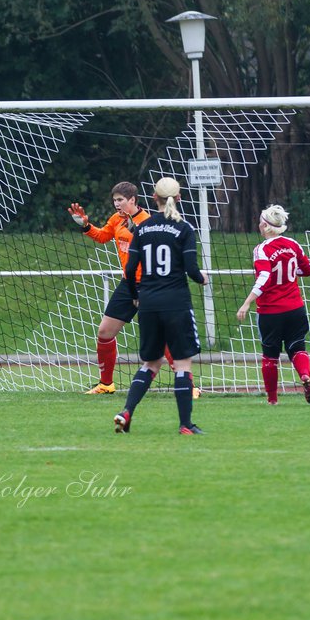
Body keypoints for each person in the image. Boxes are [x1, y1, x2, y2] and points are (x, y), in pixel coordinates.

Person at [68, 182, 193, 397]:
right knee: (104, 332)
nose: (117, 204)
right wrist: (86, 226)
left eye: (121, 200)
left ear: (133, 200)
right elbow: (103, 237)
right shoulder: (116, 220)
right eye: (115, 200)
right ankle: (106, 384)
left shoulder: (148, 222)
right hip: (128, 285)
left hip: (150, 284)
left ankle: (188, 386)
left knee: (162, 337)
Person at [114, 177, 208, 436]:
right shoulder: (184, 228)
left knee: (150, 363)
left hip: (148, 304)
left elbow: (130, 270)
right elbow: (191, 270)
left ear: (153, 198)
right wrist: (202, 278)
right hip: (176, 303)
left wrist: (136, 294)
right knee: (182, 364)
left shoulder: (142, 229)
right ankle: (185, 424)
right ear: (178, 198)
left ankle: (126, 412)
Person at [235, 204, 310, 405]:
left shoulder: (261, 249)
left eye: (261, 221)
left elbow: (264, 277)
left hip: (270, 312)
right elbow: (308, 270)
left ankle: (272, 400)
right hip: (295, 308)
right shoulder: (293, 244)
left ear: (265, 226)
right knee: (298, 347)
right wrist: (290, 274)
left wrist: (246, 303)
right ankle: (305, 376)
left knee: (270, 356)